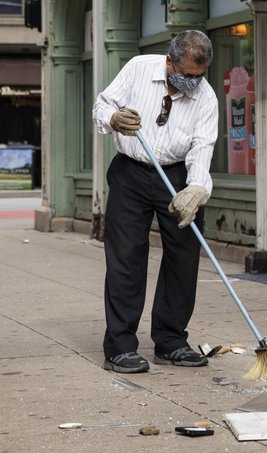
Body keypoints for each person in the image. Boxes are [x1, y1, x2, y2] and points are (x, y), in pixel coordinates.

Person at [91, 29, 219, 373]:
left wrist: (196, 189)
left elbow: (203, 146)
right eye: (187, 74)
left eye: (200, 75)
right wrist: (113, 119)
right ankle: (120, 347)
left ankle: (171, 341)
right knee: (126, 258)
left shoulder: (206, 98)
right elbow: (103, 104)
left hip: (176, 176)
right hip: (130, 172)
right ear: (169, 62)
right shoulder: (138, 68)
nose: (193, 82)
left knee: (183, 258)